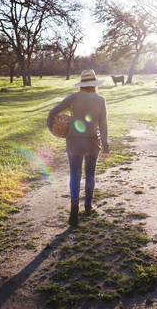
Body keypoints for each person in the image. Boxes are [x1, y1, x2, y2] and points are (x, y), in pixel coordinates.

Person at [47, 69, 109, 226]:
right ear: (95, 84)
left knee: (75, 175)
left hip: (73, 142)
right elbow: (103, 126)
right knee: (90, 175)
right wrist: (106, 147)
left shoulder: (73, 98)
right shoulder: (101, 100)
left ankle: (74, 203)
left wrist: (51, 127)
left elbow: (53, 112)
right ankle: (88, 207)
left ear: (81, 84)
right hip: (92, 143)